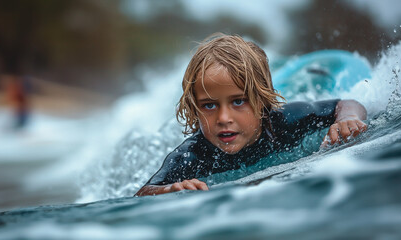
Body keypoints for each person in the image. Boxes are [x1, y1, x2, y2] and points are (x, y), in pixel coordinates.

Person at [135, 34, 367, 196]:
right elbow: (144, 193)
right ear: (194, 108)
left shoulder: (285, 121)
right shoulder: (193, 154)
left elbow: (346, 104)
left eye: (238, 101)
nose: (223, 117)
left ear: (261, 102)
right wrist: (170, 189)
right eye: (208, 106)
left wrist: (346, 120)